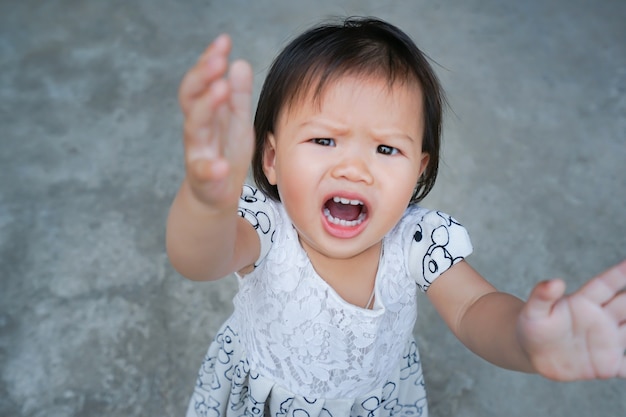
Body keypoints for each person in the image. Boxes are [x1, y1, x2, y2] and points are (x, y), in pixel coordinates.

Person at [166, 17, 626, 417]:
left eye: (387, 148)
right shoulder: (265, 228)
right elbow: (200, 258)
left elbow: (473, 309)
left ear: (418, 170)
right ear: (271, 158)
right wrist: (207, 203)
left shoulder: (418, 241)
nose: (354, 168)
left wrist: (527, 343)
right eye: (324, 141)